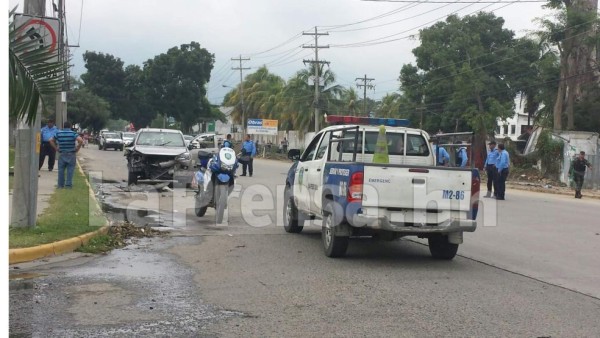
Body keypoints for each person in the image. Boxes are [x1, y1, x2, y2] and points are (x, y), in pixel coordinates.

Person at [49, 121, 83, 189]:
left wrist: (56, 148)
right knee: (70, 170)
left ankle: (60, 185)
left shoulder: (58, 133)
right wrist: (77, 148)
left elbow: (50, 140)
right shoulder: (73, 133)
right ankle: (68, 186)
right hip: (71, 154)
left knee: (61, 170)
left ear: (63, 126)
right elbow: (81, 140)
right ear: (70, 126)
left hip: (62, 153)